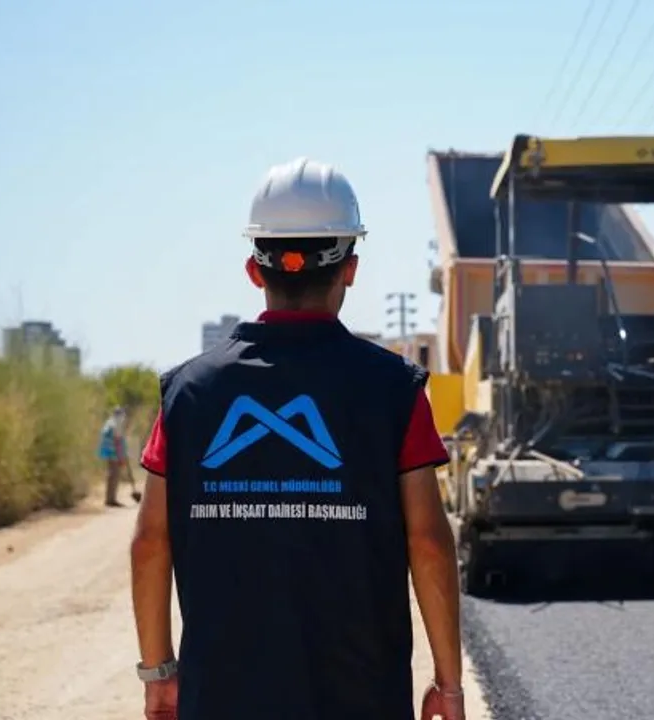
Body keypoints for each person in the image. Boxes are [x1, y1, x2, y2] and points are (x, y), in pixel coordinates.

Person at [129, 157, 466, 720]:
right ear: (350, 268)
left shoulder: (186, 394)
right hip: (362, 698)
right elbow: (429, 543)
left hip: (222, 699)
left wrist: (158, 673)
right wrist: (448, 683)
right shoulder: (394, 390)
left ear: (254, 270)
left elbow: (149, 543)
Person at [98, 406, 140, 507]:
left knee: (111, 476)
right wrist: (121, 457)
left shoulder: (110, 422)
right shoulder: (116, 424)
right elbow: (117, 442)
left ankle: (110, 498)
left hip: (110, 453)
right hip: (114, 454)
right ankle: (111, 500)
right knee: (114, 476)